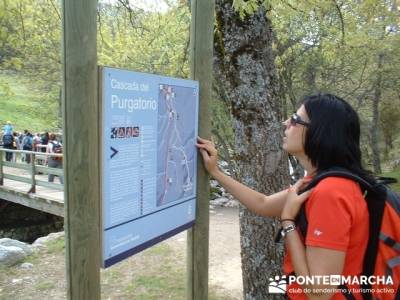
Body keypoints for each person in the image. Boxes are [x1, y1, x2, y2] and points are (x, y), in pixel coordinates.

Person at [196, 93, 375, 300]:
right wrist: (216, 172)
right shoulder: (319, 181)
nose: (286, 122)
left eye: (296, 120)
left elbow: (319, 293)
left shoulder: (330, 192)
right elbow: (263, 204)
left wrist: (288, 221)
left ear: (320, 132)